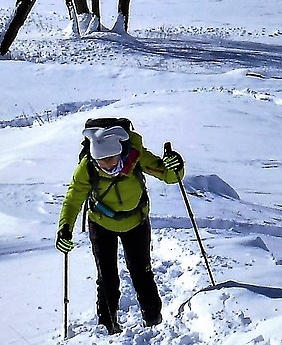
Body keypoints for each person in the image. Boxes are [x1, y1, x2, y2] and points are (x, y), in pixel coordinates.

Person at [55, 118, 185, 333]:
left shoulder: (136, 156)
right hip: (100, 223)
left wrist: (176, 166)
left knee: (141, 272)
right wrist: (65, 228)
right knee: (106, 277)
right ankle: (107, 327)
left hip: (136, 222)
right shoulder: (86, 168)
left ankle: (153, 320)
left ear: (120, 151)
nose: (107, 164)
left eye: (111, 157)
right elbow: (73, 198)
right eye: (102, 160)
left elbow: (170, 177)